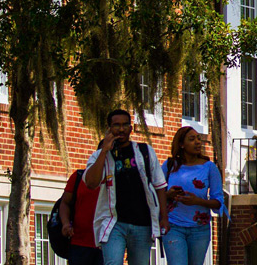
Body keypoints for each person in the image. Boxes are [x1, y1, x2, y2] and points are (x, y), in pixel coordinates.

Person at [83, 109, 169, 265]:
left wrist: (164, 217)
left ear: (131, 128)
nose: (121, 129)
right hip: (114, 223)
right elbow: (91, 183)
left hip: (142, 223)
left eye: (125, 125)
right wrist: (104, 151)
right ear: (109, 128)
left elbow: (160, 185)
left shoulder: (144, 151)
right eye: (116, 125)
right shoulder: (99, 156)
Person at [161, 126, 226, 265]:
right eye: (192, 139)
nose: (197, 142)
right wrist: (168, 194)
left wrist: (197, 201)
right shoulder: (169, 165)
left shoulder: (209, 167)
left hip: (199, 229)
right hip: (173, 226)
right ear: (181, 144)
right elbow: (155, 194)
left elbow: (218, 202)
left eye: (199, 139)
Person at [60, 166, 103, 265]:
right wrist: (66, 224)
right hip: (79, 243)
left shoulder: (114, 177)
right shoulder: (78, 177)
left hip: (106, 244)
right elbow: (65, 202)